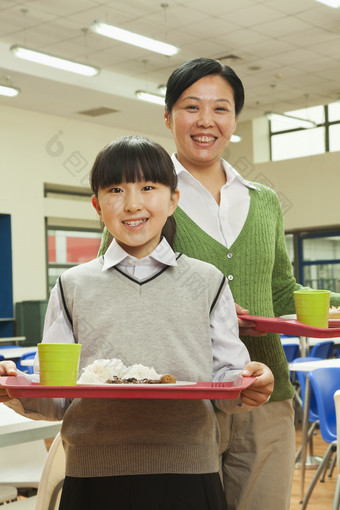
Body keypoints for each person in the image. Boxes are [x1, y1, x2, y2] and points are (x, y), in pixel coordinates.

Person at [97, 58, 340, 510]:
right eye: (192, 107)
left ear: (234, 119)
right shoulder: (142, 193)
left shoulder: (263, 200)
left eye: (221, 108)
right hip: (185, 397)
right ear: (168, 117)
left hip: (265, 392)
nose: (206, 121)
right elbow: (108, 291)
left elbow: (282, 289)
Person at [0, 135, 274, 510]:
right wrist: (16, 390)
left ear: (173, 199)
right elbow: (59, 395)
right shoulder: (72, 285)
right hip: (93, 472)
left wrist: (249, 386)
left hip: (189, 469)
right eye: (115, 189)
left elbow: (228, 381)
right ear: (97, 205)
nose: (132, 204)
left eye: (148, 187)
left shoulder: (207, 281)